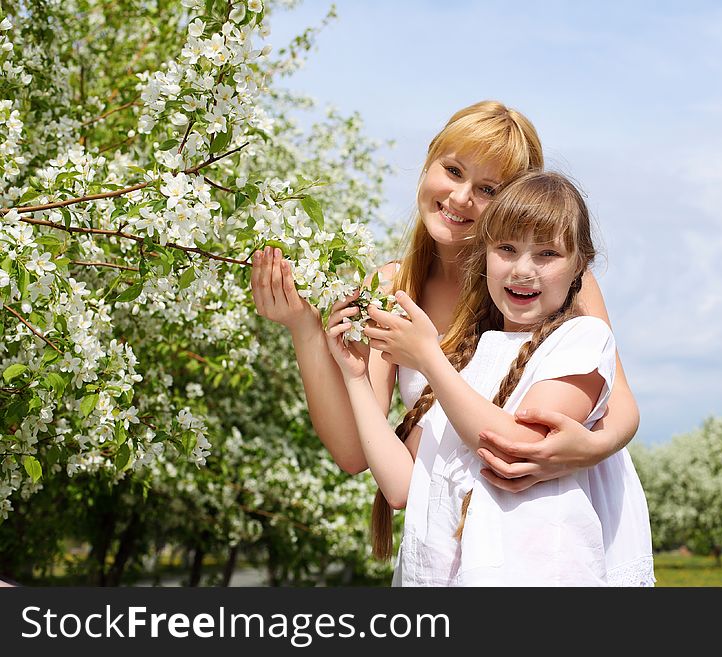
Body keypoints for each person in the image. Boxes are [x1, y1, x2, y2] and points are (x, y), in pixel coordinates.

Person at [250, 100, 640, 491]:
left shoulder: (552, 280)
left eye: (488, 189)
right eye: (453, 171)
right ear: (428, 163)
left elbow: (620, 404)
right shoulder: (393, 289)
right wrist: (304, 329)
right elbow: (354, 451)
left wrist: (588, 448)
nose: (460, 197)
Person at [326, 171, 653, 585]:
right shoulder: (469, 359)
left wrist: (429, 358)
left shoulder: (581, 339)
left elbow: (518, 445)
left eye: (547, 254)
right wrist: (355, 377)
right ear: (484, 255)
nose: (522, 270)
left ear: (580, 267)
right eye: (506, 249)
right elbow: (401, 487)